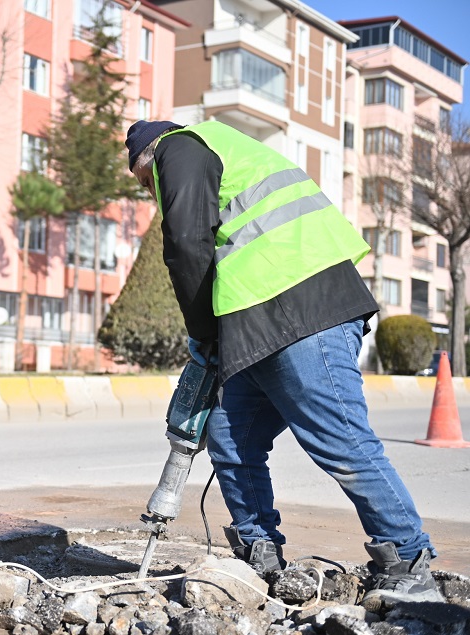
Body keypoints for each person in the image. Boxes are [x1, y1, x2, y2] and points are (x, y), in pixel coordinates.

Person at [125, 119, 442, 606]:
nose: (152, 193)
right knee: (233, 438)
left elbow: (186, 245)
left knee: (338, 439)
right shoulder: (215, 152)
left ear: (147, 161)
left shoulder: (178, 148)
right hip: (259, 315)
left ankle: (408, 556)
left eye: (146, 184)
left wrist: (203, 333)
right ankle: (260, 553)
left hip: (303, 305)